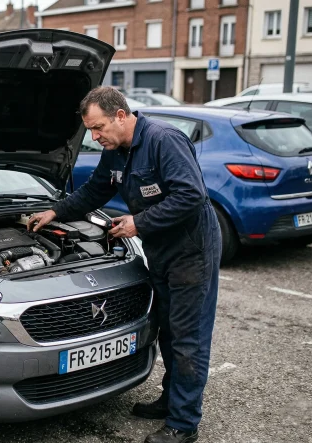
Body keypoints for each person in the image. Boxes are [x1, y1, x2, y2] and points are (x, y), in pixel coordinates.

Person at [27, 87, 221, 443]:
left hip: (192, 251)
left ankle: (184, 424)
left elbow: (191, 195)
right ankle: (171, 400)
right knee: (167, 329)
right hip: (160, 251)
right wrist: (55, 211)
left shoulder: (164, 141)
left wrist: (138, 223)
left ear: (120, 116)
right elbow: (94, 191)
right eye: (90, 130)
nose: (95, 137)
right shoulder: (115, 152)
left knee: (188, 338)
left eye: (98, 127)